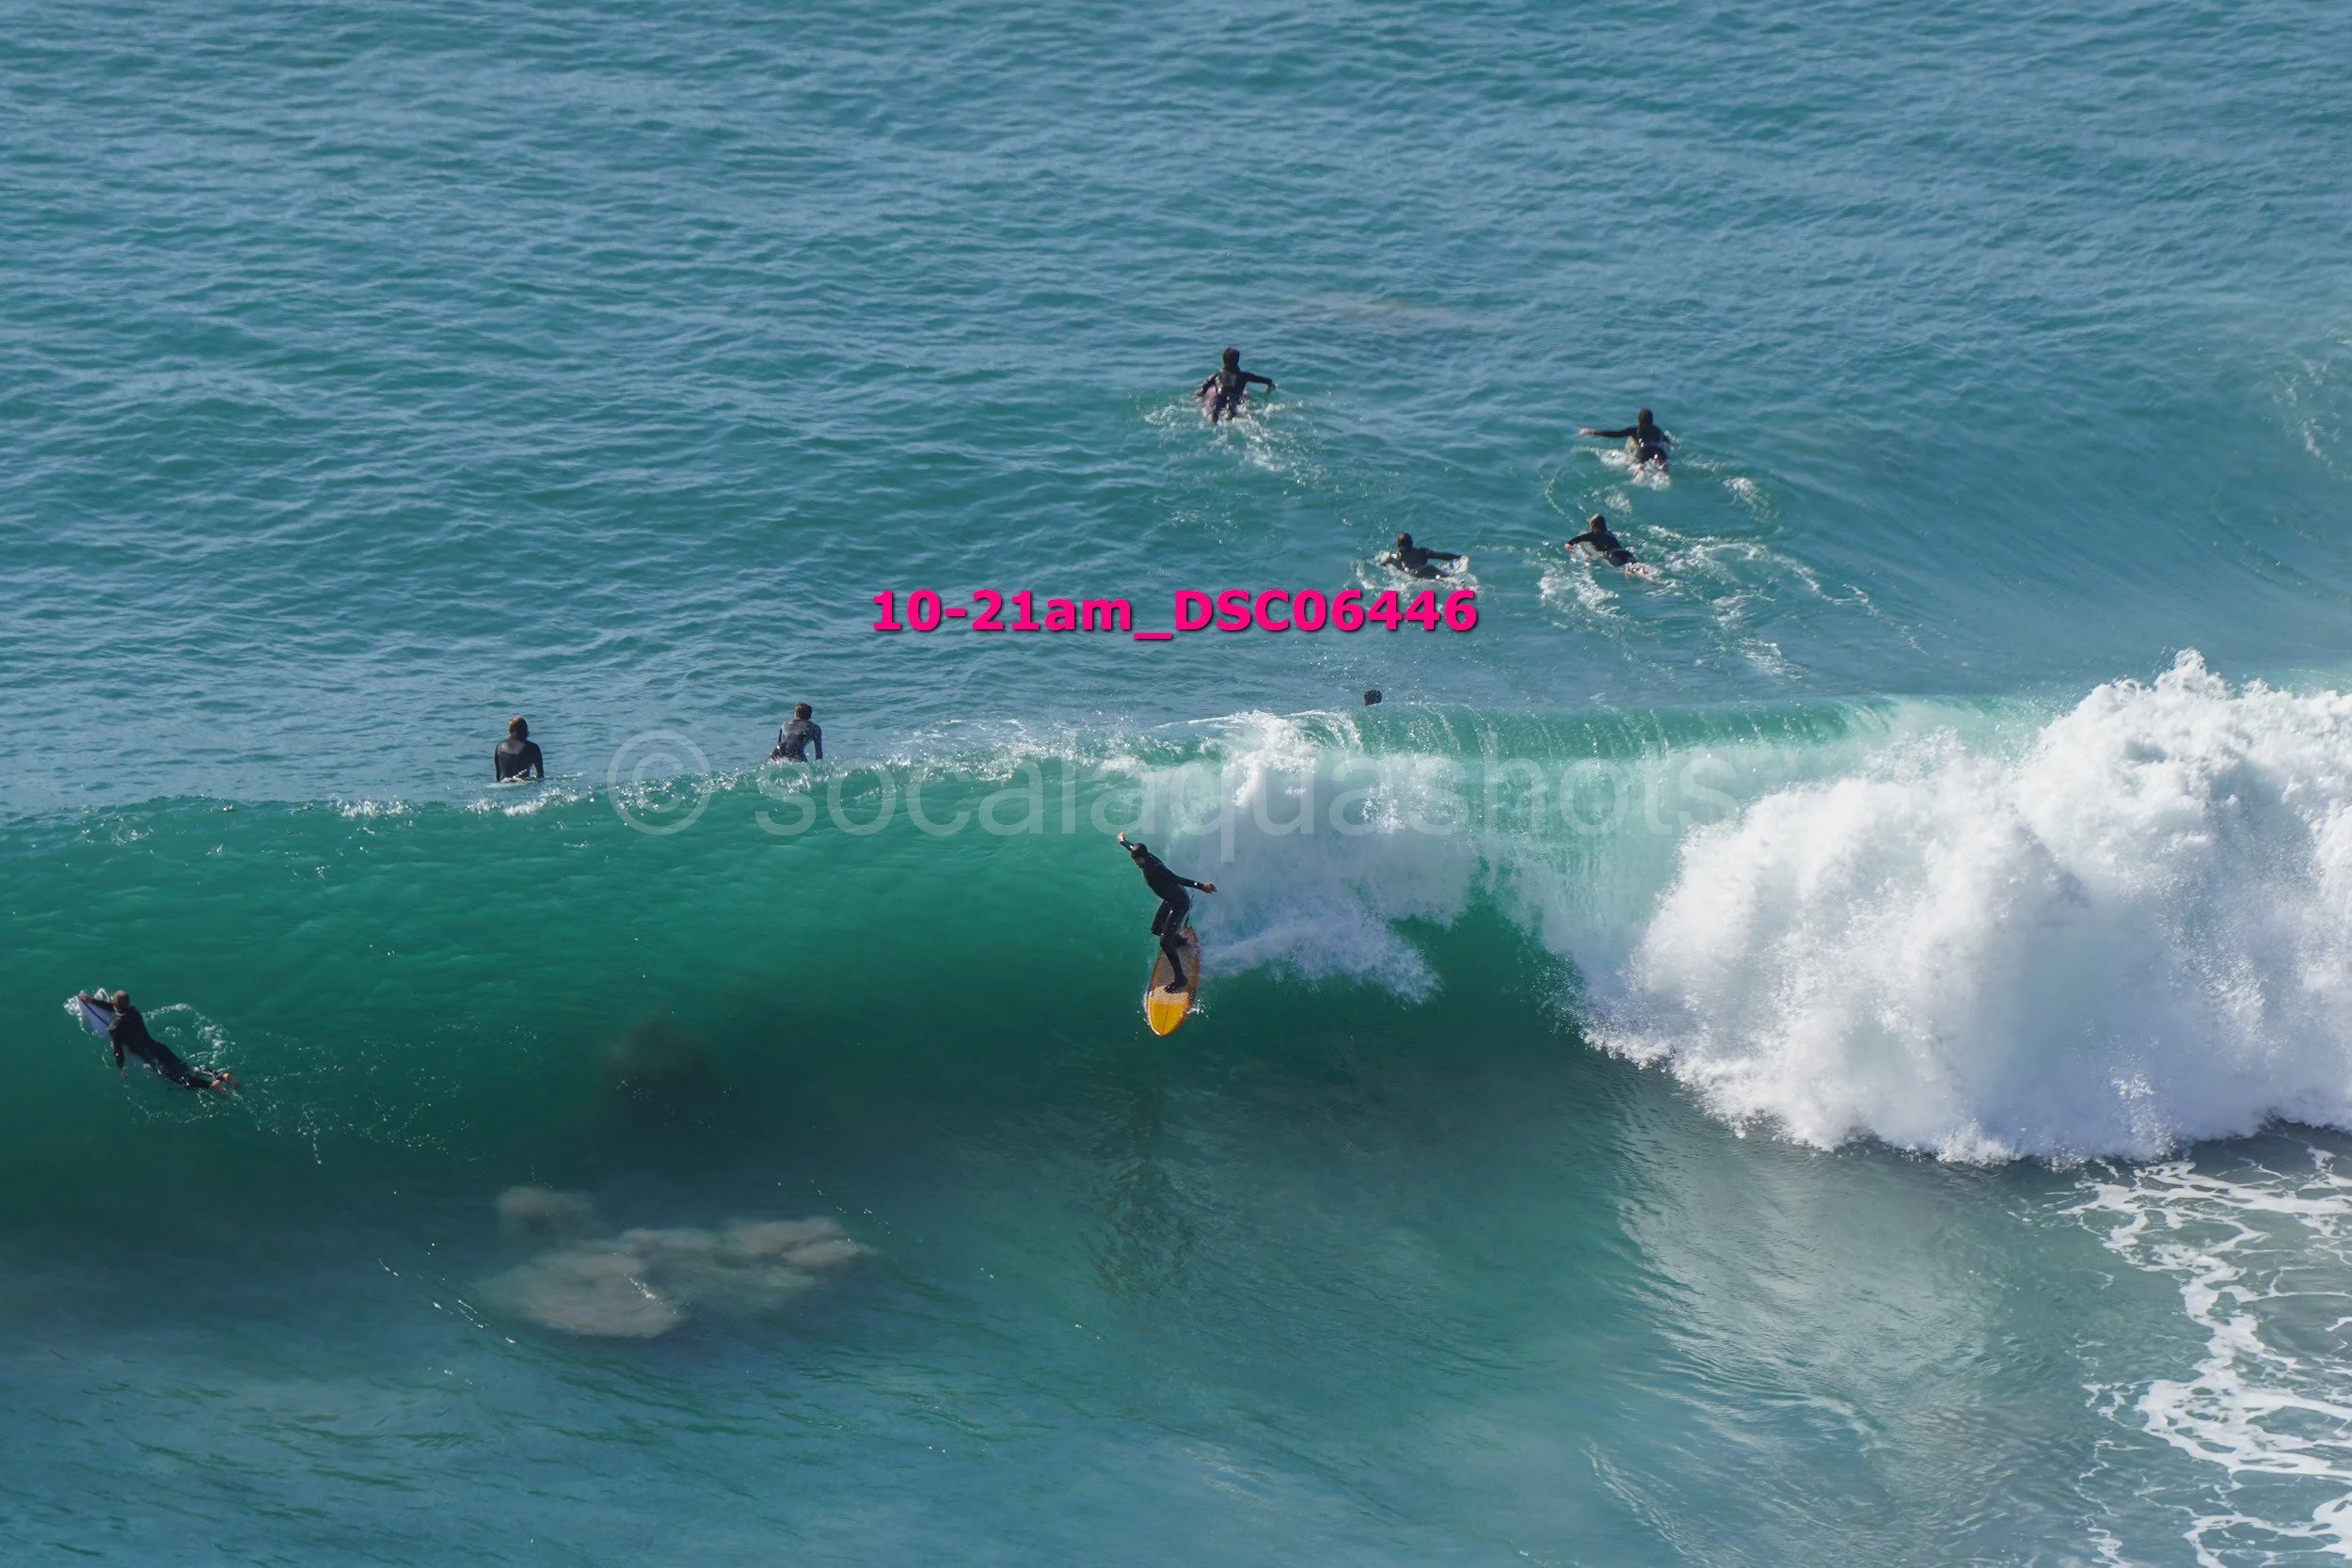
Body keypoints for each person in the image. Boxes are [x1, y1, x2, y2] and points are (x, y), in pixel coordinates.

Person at [77, 990, 238, 1095]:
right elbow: (116, 1007)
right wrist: (92, 1000)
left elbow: (118, 1049)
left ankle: (211, 1086)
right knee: (187, 1067)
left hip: (151, 1056)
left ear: (114, 1005)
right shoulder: (134, 1011)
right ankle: (221, 1075)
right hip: (159, 1048)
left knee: (177, 1077)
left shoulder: (115, 1027)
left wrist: (122, 1067)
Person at [1118, 832, 1216, 993]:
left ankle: (1180, 979)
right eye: (1134, 859)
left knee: (1164, 942)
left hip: (1179, 903)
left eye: (1137, 860)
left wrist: (1202, 886)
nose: (1136, 863)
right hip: (1170, 900)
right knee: (1156, 929)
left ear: (1144, 857)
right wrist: (1123, 841)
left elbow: (1177, 879)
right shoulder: (1144, 857)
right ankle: (1179, 941)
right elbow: (1132, 848)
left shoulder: (1156, 869)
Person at [1580, 408, 1673, 470]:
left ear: (1638, 421)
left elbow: (1615, 434)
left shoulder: (1635, 430)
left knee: (1640, 467)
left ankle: (1640, 468)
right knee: (1663, 472)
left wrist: (1593, 432)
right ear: (1651, 421)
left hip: (1643, 451)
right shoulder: (1658, 430)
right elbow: (1668, 441)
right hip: (1659, 451)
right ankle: (1664, 475)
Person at [1198, 348, 1275, 422]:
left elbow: (1201, 392)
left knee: (1215, 411)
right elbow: (1267, 380)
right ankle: (1229, 415)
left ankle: (1213, 418)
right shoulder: (1244, 375)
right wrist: (1270, 386)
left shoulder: (1215, 376)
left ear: (1223, 361)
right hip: (1234, 398)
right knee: (1231, 411)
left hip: (1219, 396)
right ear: (1237, 361)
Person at [1565, 513, 1639, 568]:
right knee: (1636, 566)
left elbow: (1573, 541)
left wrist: (1568, 546)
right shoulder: (1610, 533)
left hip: (1612, 554)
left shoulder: (1594, 534)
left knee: (1626, 568)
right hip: (1625, 553)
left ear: (1593, 525)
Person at [1382, 531, 1463, 579]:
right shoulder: (1422, 552)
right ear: (1412, 543)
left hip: (1414, 574)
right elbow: (1440, 555)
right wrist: (1457, 557)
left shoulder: (1392, 558)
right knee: (1448, 579)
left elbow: (1381, 566)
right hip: (1429, 569)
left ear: (1398, 545)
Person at [495, 717, 545, 781]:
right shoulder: (533, 747)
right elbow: (540, 775)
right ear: (526, 729)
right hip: (522, 784)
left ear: (510, 731)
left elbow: (498, 776)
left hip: (503, 785)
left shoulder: (499, 747)